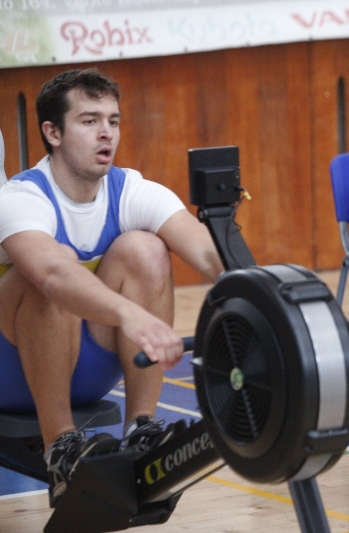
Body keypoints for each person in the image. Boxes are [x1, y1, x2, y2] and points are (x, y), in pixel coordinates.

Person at [0, 69, 224, 506]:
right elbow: (51, 274)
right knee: (53, 269)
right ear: (53, 133)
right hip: (12, 373)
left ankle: (142, 427)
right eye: (89, 121)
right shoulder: (20, 198)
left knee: (147, 249)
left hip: (89, 369)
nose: (106, 133)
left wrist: (259, 289)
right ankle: (60, 448)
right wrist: (131, 315)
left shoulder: (132, 190)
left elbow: (206, 251)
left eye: (113, 121)